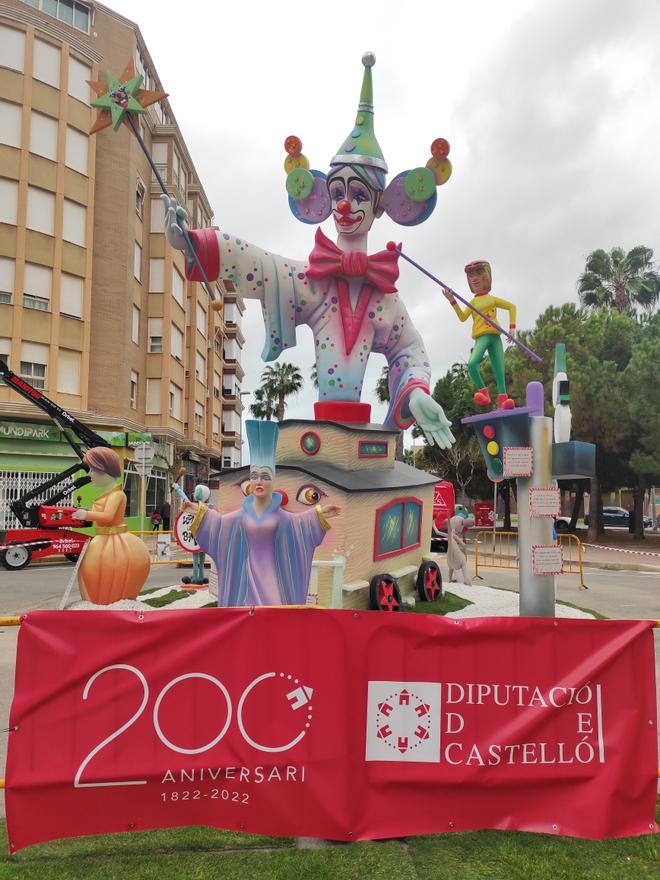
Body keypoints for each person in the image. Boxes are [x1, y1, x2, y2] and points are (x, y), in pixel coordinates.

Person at [162, 54, 454, 450]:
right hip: (317, 442)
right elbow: (258, 264)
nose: (345, 206)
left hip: (362, 444)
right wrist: (195, 242)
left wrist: (416, 392)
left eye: (358, 194)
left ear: (385, 203)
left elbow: (409, 350)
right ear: (321, 197)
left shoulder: (386, 300)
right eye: (337, 193)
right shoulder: (311, 283)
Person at [182, 421, 340, 606]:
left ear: (273, 480)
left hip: (272, 575)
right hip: (246, 579)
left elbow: (299, 525)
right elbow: (219, 525)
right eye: (254, 476)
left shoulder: (280, 515)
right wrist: (197, 510)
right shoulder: (242, 514)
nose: (259, 481)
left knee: (274, 612)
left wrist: (320, 514)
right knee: (248, 618)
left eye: (265, 476)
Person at [72, 447, 150, 604]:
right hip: (101, 539)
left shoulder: (117, 495)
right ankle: (96, 602)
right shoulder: (104, 495)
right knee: (89, 571)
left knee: (113, 572)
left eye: (93, 470)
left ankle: (115, 602)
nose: (89, 474)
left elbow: (108, 516)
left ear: (105, 470)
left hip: (116, 541)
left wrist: (86, 514)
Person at [443, 260, 516, 409]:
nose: (474, 279)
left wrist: (512, 327)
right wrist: (453, 301)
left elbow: (511, 307)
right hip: (482, 336)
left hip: (495, 336)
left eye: (478, 274)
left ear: (486, 276)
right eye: (471, 276)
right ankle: (484, 393)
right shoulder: (473, 303)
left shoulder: (492, 299)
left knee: (499, 369)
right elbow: (463, 318)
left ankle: (503, 400)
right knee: (472, 363)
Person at [447, 514, 472, 586]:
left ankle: (452, 579)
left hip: (453, 544)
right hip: (453, 544)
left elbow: (456, 534)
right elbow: (464, 545)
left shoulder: (453, 534)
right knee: (459, 563)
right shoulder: (456, 521)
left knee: (452, 564)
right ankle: (466, 580)